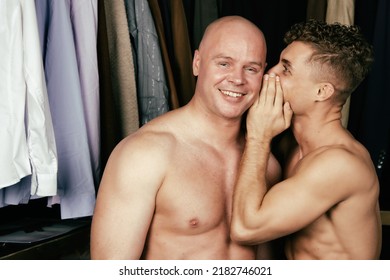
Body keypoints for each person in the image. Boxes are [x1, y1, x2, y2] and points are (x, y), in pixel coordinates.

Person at [90, 16, 281, 259]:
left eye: (251, 68)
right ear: (197, 63)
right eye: (224, 64)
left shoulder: (265, 162)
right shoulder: (145, 154)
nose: (237, 79)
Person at [231, 19, 382, 260]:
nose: (270, 73)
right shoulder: (290, 144)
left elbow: (246, 229)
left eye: (286, 69)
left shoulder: (340, 163)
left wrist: (258, 137)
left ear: (322, 92)